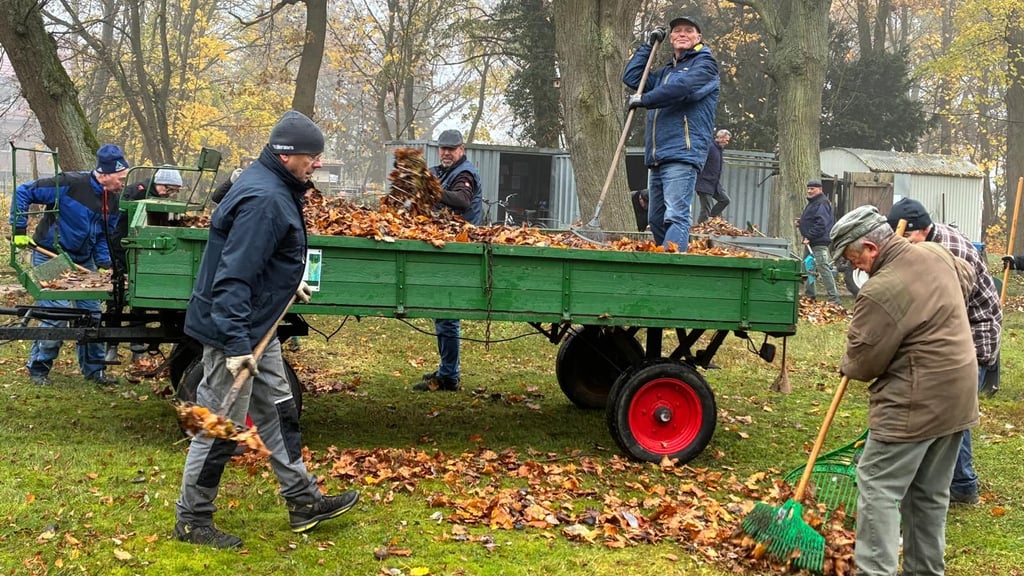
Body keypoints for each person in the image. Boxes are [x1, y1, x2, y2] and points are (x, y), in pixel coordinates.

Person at [174, 110, 359, 549]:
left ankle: (303, 501)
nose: (317, 163)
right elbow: (233, 276)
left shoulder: (274, 184)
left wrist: (285, 281)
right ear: (288, 155)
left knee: (279, 410)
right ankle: (192, 519)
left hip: (259, 326)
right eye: (312, 156)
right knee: (219, 427)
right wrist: (236, 344)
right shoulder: (265, 199)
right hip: (234, 332)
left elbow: (258, 257)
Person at [829, 205, 978, 576]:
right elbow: (967, 275)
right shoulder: (936, 254)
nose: (854, 267)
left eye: (852, 258)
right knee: (929, 494)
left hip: (914, 403)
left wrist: (848, 362)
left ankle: (874, 571)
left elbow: (864, 364)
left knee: (878, 486)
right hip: (958, 396)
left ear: (871, 248)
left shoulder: (880, 291)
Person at [887, 198, 1002, 505]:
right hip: (957, 333)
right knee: (947, 410)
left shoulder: (950, 252)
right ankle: (943, 478)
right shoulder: (926, 246)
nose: (902, 244)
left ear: (923, 230)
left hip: (974, 336)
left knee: (954, 413)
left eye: (906, 237)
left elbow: (946, 309)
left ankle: (962, 484)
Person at [9, 144, 129, 386]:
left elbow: (103, 236)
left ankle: (95, 371)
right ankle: (38, 368)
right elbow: (24, 191)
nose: (123, 184)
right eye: (121, 178)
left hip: (83, 261)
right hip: (51, 256)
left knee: (92, 315)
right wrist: (19, 230)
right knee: (57, 315)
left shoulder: (114, 201)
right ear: (105, 174)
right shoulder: (70, 183)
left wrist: (104, 263)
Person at [623, 16, 720, 251]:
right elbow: (632, 77)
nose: (682, 34)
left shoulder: (705, 65)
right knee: (655, 219)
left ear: (698, 37)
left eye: (688, 30)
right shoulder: (666, 72)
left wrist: (644, 99)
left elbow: (683, 89)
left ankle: (672, 264)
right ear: (671, 38)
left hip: (683, 152)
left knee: (676, 215)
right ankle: (665, 259)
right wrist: (648, 46)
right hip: (658, 155)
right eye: (677, 31)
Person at [411, 129, 482, 392]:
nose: (446, 153)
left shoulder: (465, 174)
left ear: (462, 149)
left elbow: (461, 201)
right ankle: (447, 369)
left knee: (447, 312)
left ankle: (449, 376)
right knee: (442, 312)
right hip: (444, 245)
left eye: (451, 148)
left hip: (459, 250)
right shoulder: (439, 172)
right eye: (443, 148)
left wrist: (432, 190)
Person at [105, 166, 185, 364]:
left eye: (174, 191)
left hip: (144, 252)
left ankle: (137, 346)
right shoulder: (135, 192)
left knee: (139, 299)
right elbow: (120, 222)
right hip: (123, 248)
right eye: (169, 189)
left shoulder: (160, 198)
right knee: (116, 298)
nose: (170, 195)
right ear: (159, 184)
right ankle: (111, 345)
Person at [798, 180, 842, 306]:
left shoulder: (821, 203)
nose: (809, 191)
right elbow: (814, 220)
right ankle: (810, 296)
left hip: (818, 242)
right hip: (811, 242)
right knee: (808, 268)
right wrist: (801, 223)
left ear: (820, 189)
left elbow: (821, 224)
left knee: (823, 268)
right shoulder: (814, 203)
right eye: (808, 188)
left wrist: (809, 236)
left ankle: (834, 299)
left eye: (812, 188)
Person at [696, 129, 731, 223]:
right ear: (720, 138)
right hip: (704, 183)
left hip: (714, 184)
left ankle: (711, 218)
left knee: (725, 200)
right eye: (726, 140)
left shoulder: (719, 150)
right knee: (706, 209)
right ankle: (700, 228)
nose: (727, 143)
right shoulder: (710, 147)